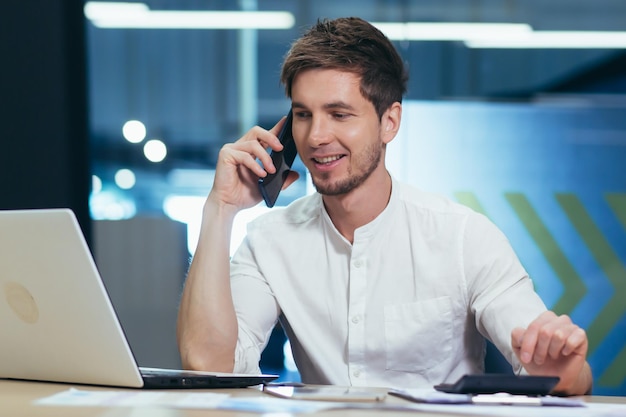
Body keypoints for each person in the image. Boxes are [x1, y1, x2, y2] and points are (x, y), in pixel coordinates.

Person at [177, 16, 592, 395]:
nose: (316, 136)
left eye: (339, 114)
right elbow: (210, 364)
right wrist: (220, 209)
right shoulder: (269, 241)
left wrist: (563, 371)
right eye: (303, 114)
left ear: (389, 121)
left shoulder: (465, 237)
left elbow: (559, 371)